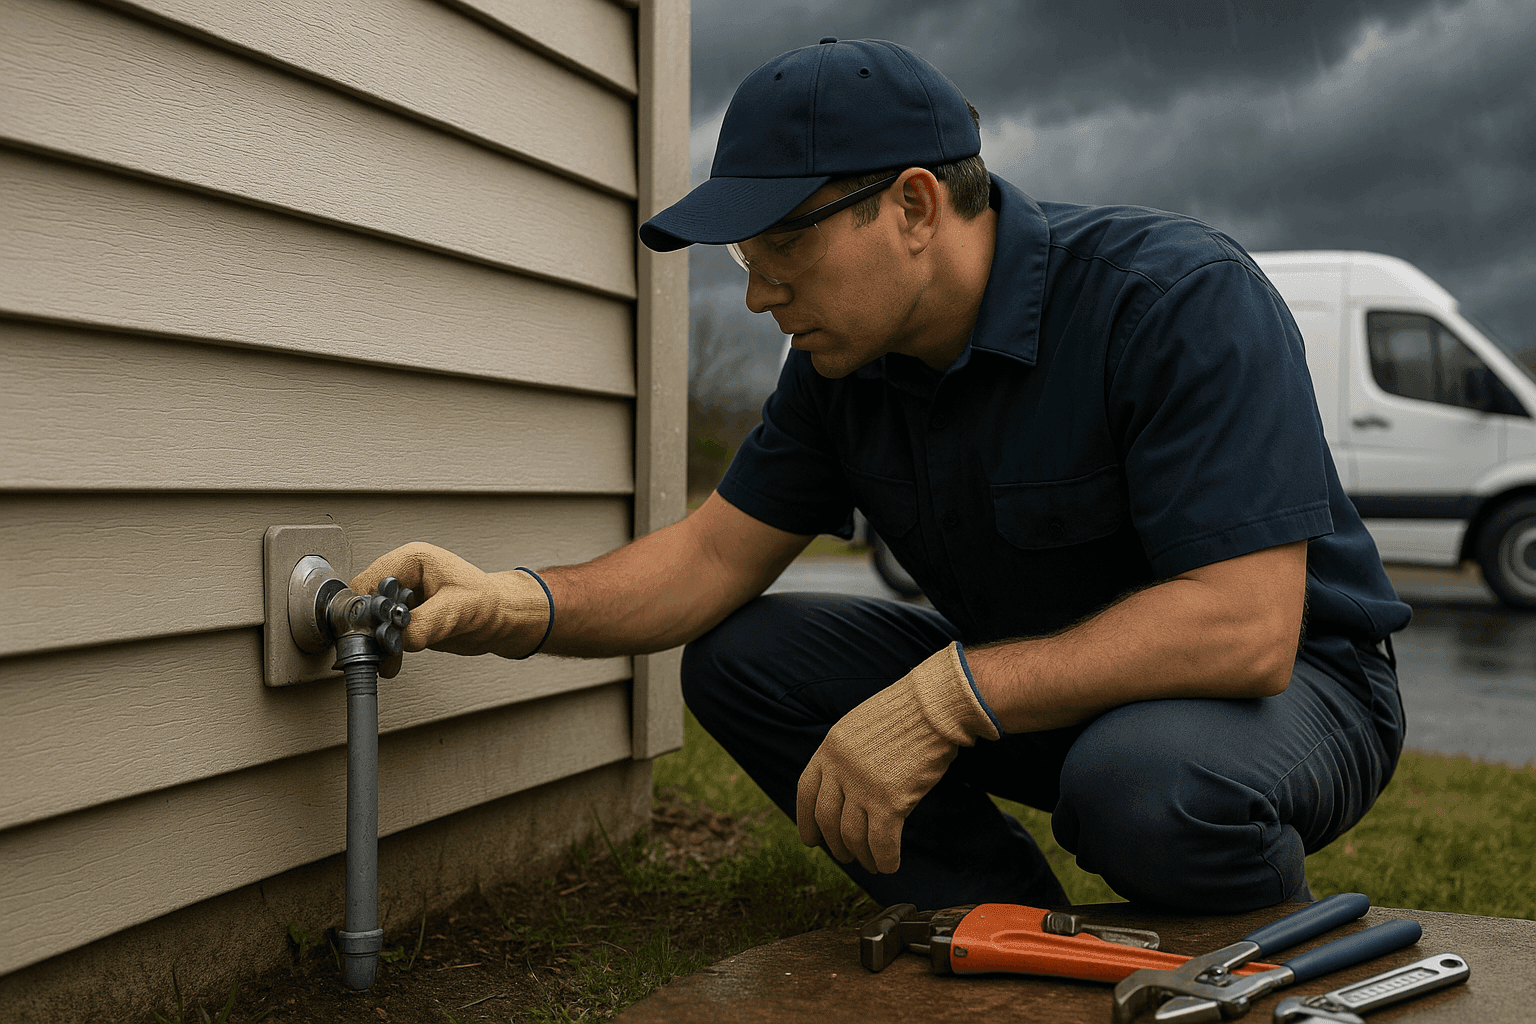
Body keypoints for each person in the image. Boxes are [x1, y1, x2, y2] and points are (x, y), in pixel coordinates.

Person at [353, 37, 1411, 913]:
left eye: (780, 245)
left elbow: (1245, 626)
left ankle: (1251, 951)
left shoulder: (1174, 302)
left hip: (1296, 690)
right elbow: (709, 559)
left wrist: (948, 696)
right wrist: (512, 600)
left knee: (1144, 782)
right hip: (1043, 692)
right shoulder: (843, 366)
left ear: (913, 206)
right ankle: (990, 923)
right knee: (744, 655)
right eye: (743, 257)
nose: (761, 292)